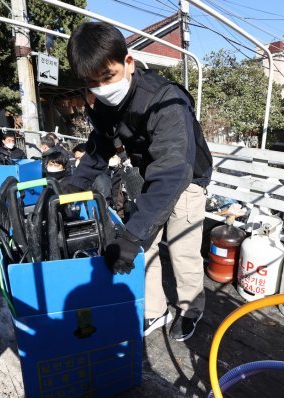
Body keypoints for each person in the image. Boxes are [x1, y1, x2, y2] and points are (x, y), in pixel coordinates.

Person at [67, 22, 213, 341]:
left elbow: (174, 171)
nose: (102, 88)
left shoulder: (165, 100)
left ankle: (190, 308)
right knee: (144, 248)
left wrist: (130, 236)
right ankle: (155, 311)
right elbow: (100, 146)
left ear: (128, 63)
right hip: (151, 175)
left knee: (181, 247)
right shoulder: (104, 104)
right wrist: (74, 185)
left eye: (108, 77)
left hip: (186, 177)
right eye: (93, 82)